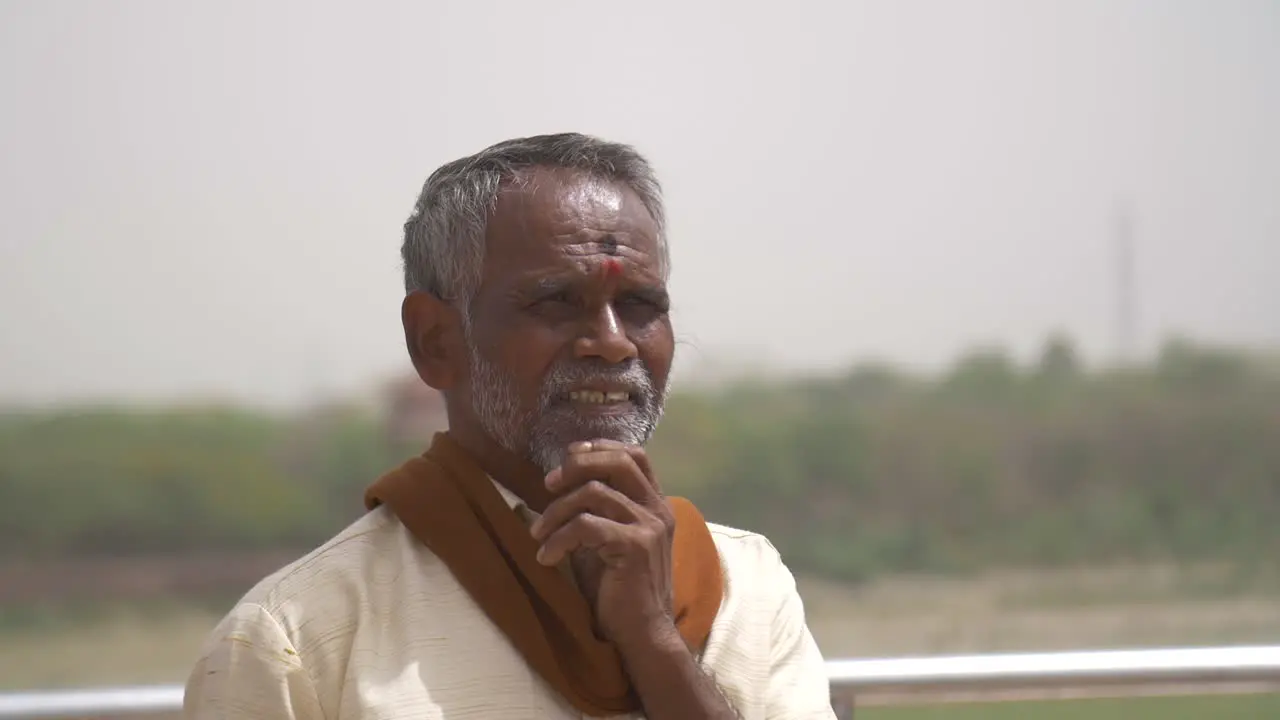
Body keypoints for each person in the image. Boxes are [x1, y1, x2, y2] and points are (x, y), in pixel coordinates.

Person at [183, 133, 837, 719]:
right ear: (436, 340)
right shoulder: (297, 638)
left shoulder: (746, 583)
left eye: (639, 305)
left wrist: (653, 640)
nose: (611, 344)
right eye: (556, 302)